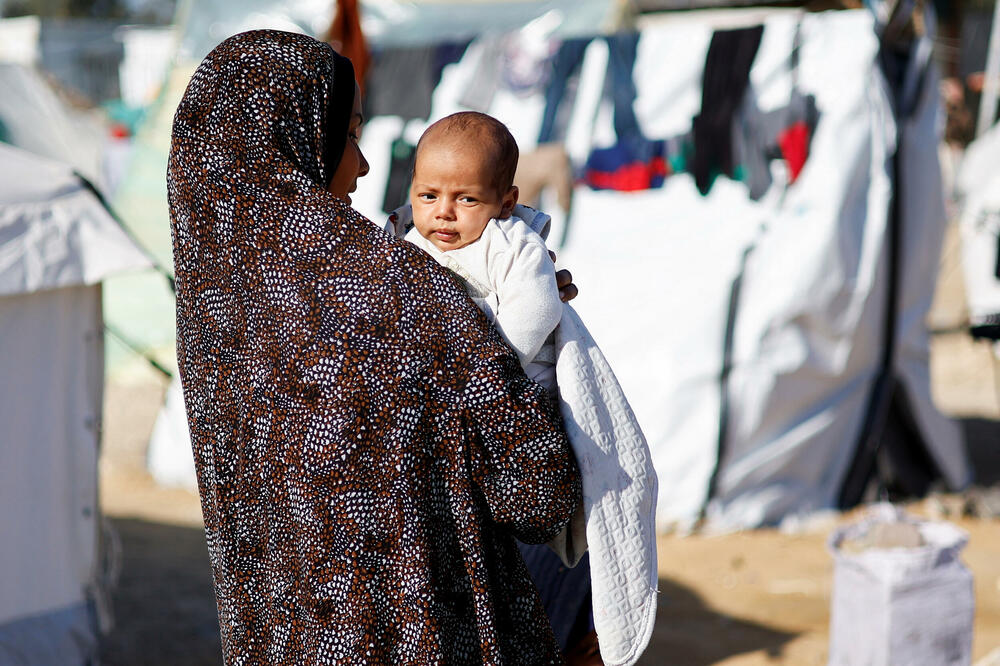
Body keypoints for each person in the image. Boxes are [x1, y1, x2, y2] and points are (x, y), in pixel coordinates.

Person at [167, 30, 582, 665]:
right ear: (295, 142)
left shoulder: (216, 308)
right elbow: (535, 495)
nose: (362, 165)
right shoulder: (400, 292)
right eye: (351, 135)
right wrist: (525, 334)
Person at [385, 112, 658, 666]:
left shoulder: (509, 245)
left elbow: (537, 308)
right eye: (428, 194)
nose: (444, 212)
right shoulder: (403, 246)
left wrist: (481, 368)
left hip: (515, 395)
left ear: (505, 203)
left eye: (466, 200)